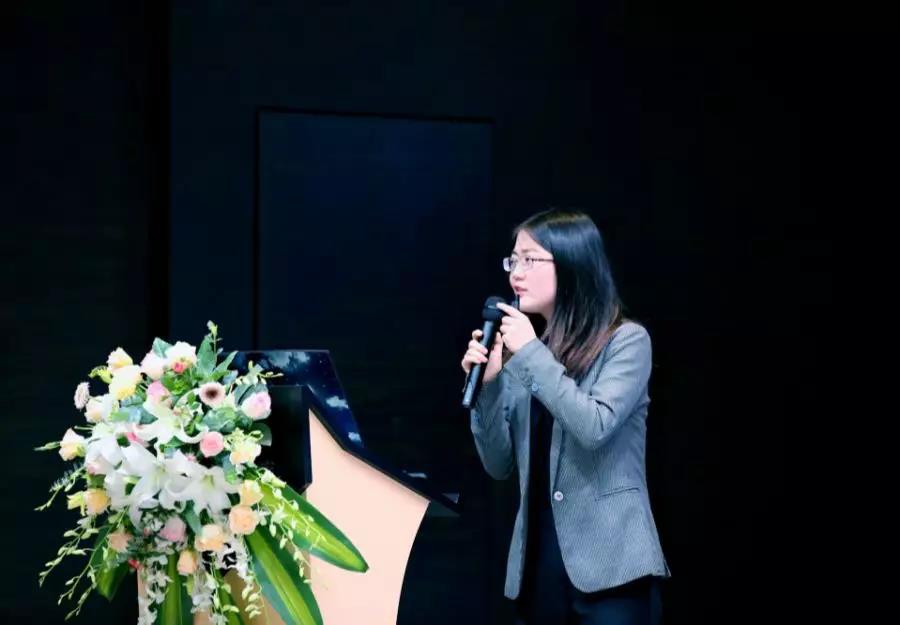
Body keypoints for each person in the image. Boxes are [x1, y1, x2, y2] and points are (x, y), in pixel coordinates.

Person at [461, 209, 670, 624]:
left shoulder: (626, 342)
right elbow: (498, 464)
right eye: (512, 260)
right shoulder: (528, 356)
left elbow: (594, 426)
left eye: (529, 259)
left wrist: (529, 353)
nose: (516, 273)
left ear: (573, 263)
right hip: (538, 570)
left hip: (612, 569)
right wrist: (489, 386)